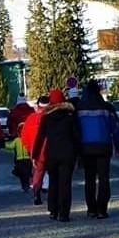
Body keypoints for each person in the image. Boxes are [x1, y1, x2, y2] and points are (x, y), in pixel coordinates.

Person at [76, 79, 119, 219]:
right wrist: (118, 145)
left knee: (89, 178)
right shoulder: (106, 107)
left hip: (86, 148)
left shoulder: (79, 108)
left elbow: (76, 129)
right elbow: (115, 128)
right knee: (104, 178)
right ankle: (102, 210)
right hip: (104, 146)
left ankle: (91, 209)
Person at [32, 88, 80, 222]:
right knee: (65, 183)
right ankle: (64, 214)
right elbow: (77, 135)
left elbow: (40, 137)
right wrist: (78, 153)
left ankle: (53, 211)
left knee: (53, 182)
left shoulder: (47, 117)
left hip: (51, 153)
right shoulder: (71, 115)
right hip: (68, 154)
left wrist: (35, 155)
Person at [21, 95, 50, 205]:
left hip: (36, 151)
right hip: (51, 149)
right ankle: (53, 193)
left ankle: (36, 193)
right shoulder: (52, 116)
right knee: (53, 172)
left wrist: (30, 149)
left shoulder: (31, 118)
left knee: (38, 172)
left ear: (38, 106)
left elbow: (24, 137)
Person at [5, 121, 33, 192]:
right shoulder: (17, 140)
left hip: (27, 159)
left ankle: (26, 185)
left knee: (27, 173)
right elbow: (11, 146)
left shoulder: (29, 139)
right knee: (21, 174)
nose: (21, 132)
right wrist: (4, 145)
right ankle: (24, 185)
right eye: (20, 131)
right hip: (19, 159)